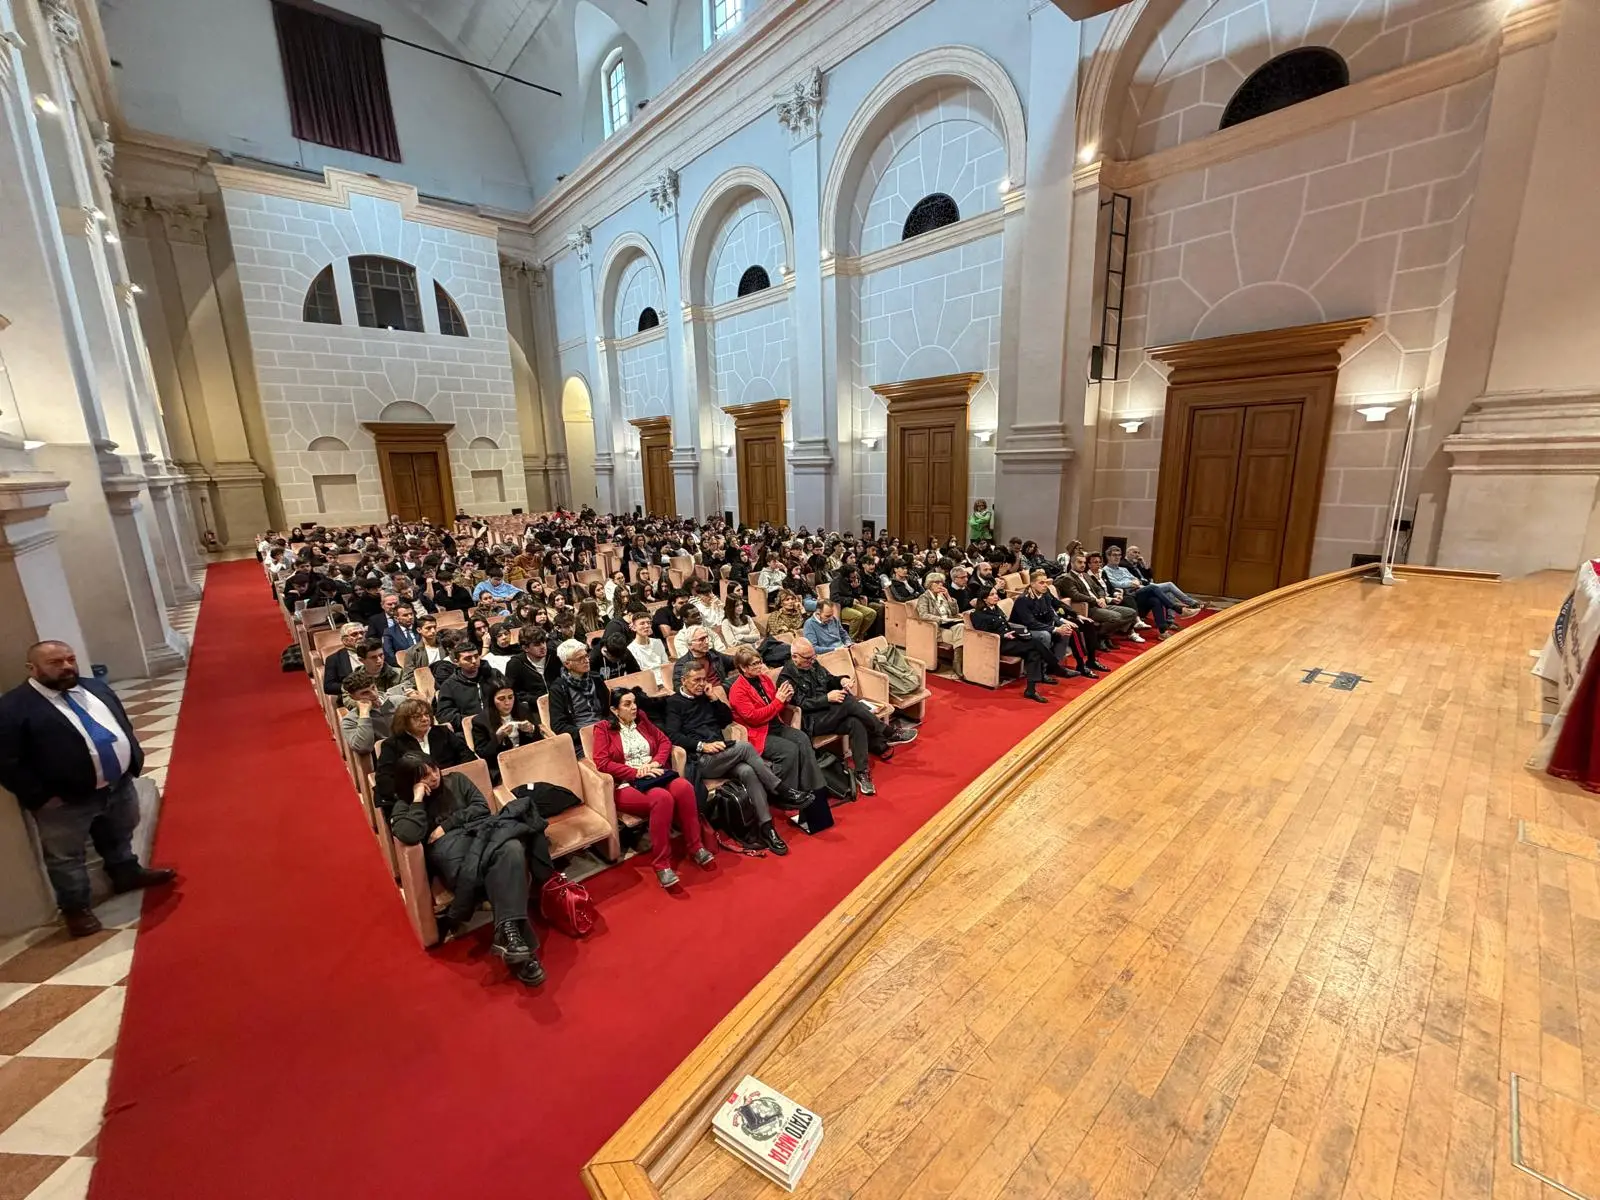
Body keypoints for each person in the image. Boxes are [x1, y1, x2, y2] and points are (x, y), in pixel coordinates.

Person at [0, 641, 177, 937]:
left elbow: (121, 723)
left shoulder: (94, 688)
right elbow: (7, 761)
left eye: (70, 659)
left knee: (121, 830)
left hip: (116, 784)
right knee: (66, 857)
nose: (67, 666)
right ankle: (76, 908)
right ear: (33, 668)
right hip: (65, 801)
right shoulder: (13, 708)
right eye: (56, 662)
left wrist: (131, 759)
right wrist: (40, 797)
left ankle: (126, 872)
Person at [388, 753, 550, 986]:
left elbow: (481, 807)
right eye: (424, 776)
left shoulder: (457, 780)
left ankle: (512, 937)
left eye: (434, 769)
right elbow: (410, 834)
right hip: (453, 852)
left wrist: (446, 825)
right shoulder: (405, 806)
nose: (434, 777)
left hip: (481, 834)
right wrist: (417, 799)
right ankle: (514, 939)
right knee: (509, 851)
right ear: (410, 781)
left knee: (512, 846)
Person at [663, 663, 809, 855]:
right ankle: (781, 789)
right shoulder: (674, 703)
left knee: (748, 771)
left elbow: (725, 720)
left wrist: (714, 698)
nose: (701, 684)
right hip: (701, 759)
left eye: (703, 679)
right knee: (746, 747)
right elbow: (672, 735)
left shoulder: (706, 697)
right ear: (683, 681)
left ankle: (767, 828)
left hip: (722, 753)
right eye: (696, 680)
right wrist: (702, 746)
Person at [592, 688, 713, 888]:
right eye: (627, 704)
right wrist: (636, 772)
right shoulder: (603, 728)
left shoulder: (641, 719)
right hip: (626, 783)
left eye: (634, 703)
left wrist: (656, 763)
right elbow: (602, 762)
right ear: (614, 710)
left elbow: (664, 741)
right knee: (662, 798)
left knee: (683, 786)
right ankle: (662, 864)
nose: (634, 708)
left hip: (655, 774)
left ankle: (696, 846)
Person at [780, 638, 913, 796]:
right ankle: (886, 732)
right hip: (811, 721)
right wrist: (827, 698)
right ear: (795, 657)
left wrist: (841, 680)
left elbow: (829, 680)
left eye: (813, 656)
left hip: (828, 713)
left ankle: (861, 773)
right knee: (848, 702)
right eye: (808, 658)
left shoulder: (813, 664)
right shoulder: (786, 678)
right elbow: (799, 705)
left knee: (855, 723)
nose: (812, 660)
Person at [727, 646, 824, 796]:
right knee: (789, 750)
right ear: (742, 667)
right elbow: (754, 718)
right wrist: (779, 701)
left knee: (802, 739)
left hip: (775, 724)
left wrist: (786, 699)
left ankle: (813, 788)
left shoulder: (764, 679)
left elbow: (775, 704)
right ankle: (786, 794)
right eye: (754, 664)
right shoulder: (737, 690)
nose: (759, 666)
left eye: (759, 662)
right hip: (758, 733)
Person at [374, 699, 474, 814]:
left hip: (453, 790)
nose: (425, 719)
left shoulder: (443, 732)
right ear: (404, 721)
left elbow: (467, 756)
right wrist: (413, 790)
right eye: (417, 716)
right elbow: (384, 778)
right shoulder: (392, 744)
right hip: (418, 797)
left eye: (426, 714)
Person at [969, 585, 1055, 702]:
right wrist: (1003, 635)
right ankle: (1055, 665)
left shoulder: (996, 608)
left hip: (1011, 639)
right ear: (984, 598)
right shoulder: (977, 614)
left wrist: (1015, 633)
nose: (996, 596)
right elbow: (984, 634)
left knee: (1034, 652)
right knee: (1034, 644)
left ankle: (1031, 690)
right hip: (999, 644)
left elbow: (1006, 625)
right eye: (992, 594)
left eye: (996, 594)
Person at [1013, 569, 1103, 676]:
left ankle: (1057, 665)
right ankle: (1043, 670)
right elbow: (1031, 623)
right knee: (1046, 635)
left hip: (1044, 624)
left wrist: (1075, 615)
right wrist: (1055, 629)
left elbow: (1056, 605)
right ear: (1032, 584)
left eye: (1046, 582)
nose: (1045, 585)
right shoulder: (1023, 600)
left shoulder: (1045, 593)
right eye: (1041, 583)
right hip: (1025, 629)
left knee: (1068, 630)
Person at [547, 638, 610, 754]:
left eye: (586, 656)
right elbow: (558, 725)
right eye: (580, 658)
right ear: (567, 664)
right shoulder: (558, 688)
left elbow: (609, 709)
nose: (586, 660)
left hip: (606, 730)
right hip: (580, 738)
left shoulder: (596, 678)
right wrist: (585, 733)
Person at [471, 683, 541, 784]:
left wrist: (532, 730)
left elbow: (540, 740)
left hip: (528, 760)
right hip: (501, 768)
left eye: (510, 697)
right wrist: (498, 738)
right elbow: (482, 755)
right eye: (501, 699)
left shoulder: (523, 710)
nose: (507, 703)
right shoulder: (480, 721)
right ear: (492, 700)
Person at [433, 643, 506, 729]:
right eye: (468, 658)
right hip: (471, 730)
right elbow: (444, 715)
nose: (474, 661)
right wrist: (474, 720)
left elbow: (511, 695)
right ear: (457, 662)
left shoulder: (494, 675)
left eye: (476, 656)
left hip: (501, 723)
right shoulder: (449, 685)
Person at [1121, 545, 1203, 615]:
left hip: (1147, 584)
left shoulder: (1137, 563)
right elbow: (1135, 580)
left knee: (1169, 593)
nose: (1137, 555)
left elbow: (1149, 575)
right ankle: (1193, 603)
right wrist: (1146, 581)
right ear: (1128, 553)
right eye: (1134, 552)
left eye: (1138, 553)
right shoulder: (1123, 564)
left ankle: (1170, 622)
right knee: (1169, 585)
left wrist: (1144, 565)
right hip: (1139, 588)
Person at [340, 669, 400, 752]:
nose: (374, 694)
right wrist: (364, 714)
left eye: (373, 688)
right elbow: (363, 747)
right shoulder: (350, 720)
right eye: (365, 693)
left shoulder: (398, 701)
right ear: (353, 697)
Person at [913, 573, 965, 670]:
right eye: (937, 582)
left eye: (941, 583)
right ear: (929, 584)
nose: (940, 585)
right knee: (964, 635)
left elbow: (955, 612)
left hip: (949, 623)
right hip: (937, 627)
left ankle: (957, 661)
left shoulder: (942, 596)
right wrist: (941, 619)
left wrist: (948, 596)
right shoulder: (924, 598)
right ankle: (958, 664)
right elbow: (923, 615)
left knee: (961, 627)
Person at [505, 625, 551, 708]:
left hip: (558, 703)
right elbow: (513, 692)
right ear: (525, 648)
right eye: (537, 644)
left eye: (544, 642)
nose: (543, 647)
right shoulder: (515, 664)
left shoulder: (553, 656)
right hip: (532, 708)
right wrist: (535, 700)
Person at [673, 625, 732, 690]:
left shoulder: (713, 654)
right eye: (701, 639)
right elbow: (678, 687)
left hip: (722, 689)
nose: (707, 642)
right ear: (690, 645)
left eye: (707, 638)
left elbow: (734, 661)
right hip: (702, 695)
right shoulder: (682, 664)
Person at [399, 613, 447, 691]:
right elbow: (409, 677)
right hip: (427, 686)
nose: (433, 631)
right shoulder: (412, 652)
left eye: (434, 627)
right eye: (428, 628)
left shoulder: (445, 645)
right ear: (419, 630)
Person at [321, 622, 367, 695]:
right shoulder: (334, 659)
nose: (360, 636)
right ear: (344, 640)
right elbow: (328, 687)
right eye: (354, 634)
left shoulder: (375, 650)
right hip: (352, 696)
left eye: (362, 633)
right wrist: (354, 686)